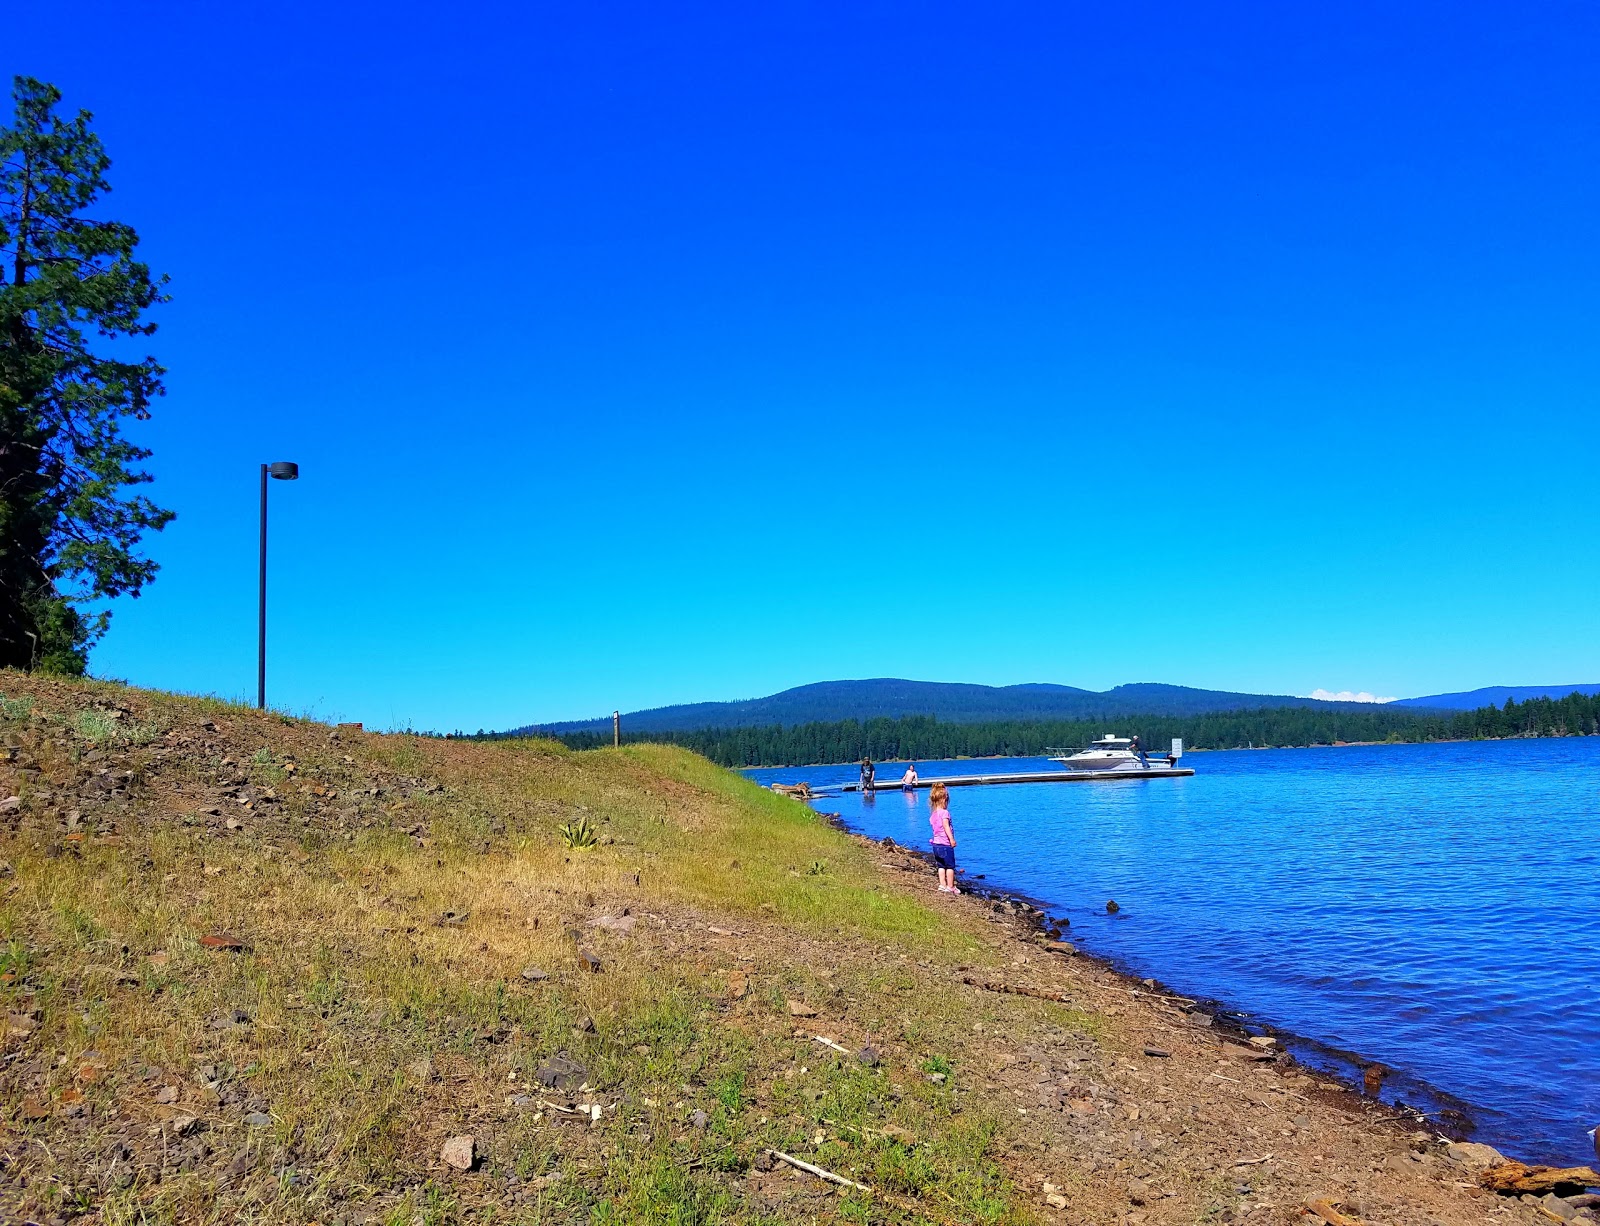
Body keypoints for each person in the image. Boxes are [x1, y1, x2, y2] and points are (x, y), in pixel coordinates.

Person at [928, 782, 958, 893]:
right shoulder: (945, 813)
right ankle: (950, 886)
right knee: (950, 866)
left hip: (936, 844)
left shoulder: (933, 814)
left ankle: (942, 885)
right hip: (945, 844)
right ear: (944, 799)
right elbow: (946, 827)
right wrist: (952, 839)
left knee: (941, 866)